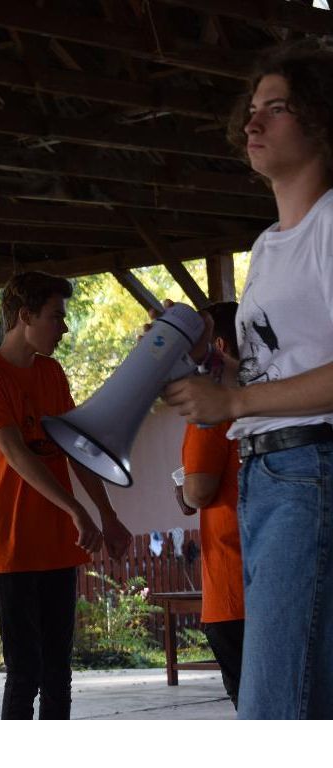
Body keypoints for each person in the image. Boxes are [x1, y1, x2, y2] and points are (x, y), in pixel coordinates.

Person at [164, 45, 333, 719]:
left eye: (277, 107)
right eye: (252, 109)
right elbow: (282, 364)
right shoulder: (267, 245)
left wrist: (234, 399)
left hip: (311, 467)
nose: (252, 123)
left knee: (274, 706)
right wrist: (216, 373)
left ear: (321, 119)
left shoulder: (330, 225)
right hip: (270, 476)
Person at [0, 271, 132, 720]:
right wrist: (76, 509)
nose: (64, 327)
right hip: (12, 545)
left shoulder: (52, 373)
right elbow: (15, 452)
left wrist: (107, 514)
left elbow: (76, 448)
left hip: (58, 542)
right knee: (25, 672)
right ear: (25, 316)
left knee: (58, 672)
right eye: (56, 316)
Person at [180, 301, 243, 710]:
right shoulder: (273, 395)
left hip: (233, 585)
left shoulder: (213, 405)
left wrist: (183, 494)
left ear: (215, 346)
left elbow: (199, 491)